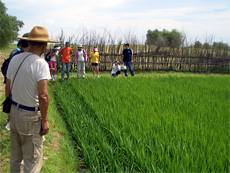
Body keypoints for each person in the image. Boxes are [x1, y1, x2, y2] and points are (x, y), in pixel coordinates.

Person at [5, 26, 58, 172]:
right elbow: (43, 95)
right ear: (43, 45)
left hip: (14, 112)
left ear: (31, 42)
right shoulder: (40, 64)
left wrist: (10, 111)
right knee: (32, 160)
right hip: (30, 118)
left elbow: (7, 87)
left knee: (16, 158)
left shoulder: (15, 59)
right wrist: (45, 120)